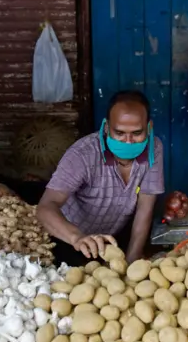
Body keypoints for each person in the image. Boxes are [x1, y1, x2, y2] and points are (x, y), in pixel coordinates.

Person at [37, 90, 164, 265]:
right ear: (106, 128)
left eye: (137, 133)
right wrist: (77, 238)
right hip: (69, 239)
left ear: (149, 128)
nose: (128, 141)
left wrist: (132, 260)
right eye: (119, 133)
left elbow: (145, 207)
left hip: (111, 239)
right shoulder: (83, 155)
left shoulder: (153, 148)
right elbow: (45, 207)